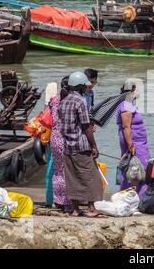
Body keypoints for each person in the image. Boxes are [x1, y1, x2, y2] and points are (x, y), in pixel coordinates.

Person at [58, 71, 103, 217]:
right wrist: (94, 146)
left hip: (67, 145)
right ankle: (91, 208)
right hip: (81, 145)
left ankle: (76, 209)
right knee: (90, 175)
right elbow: (86, 127)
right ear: (80, 87)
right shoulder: (80, 101)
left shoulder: (63, 101)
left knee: (72, 177)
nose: (86, 88)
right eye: (85, 86)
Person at [116, 78, 149, 198]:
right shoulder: (126, 106)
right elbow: (126, 127)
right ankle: (136, 197)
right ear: (132, 91)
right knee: (137, 170)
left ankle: (134, 196)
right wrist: (131, 145)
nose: (138, 92)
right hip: (134, 143)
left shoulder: (129, 104)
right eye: (137, 89)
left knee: (135, 168)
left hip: (138, 142)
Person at [49, 76, 72, 213]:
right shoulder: (68, 101)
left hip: (54, 137)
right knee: (67, 171)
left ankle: (57, 201)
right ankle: (66, 202)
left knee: (57, 171)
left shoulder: (54, 100)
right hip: (65, 138)